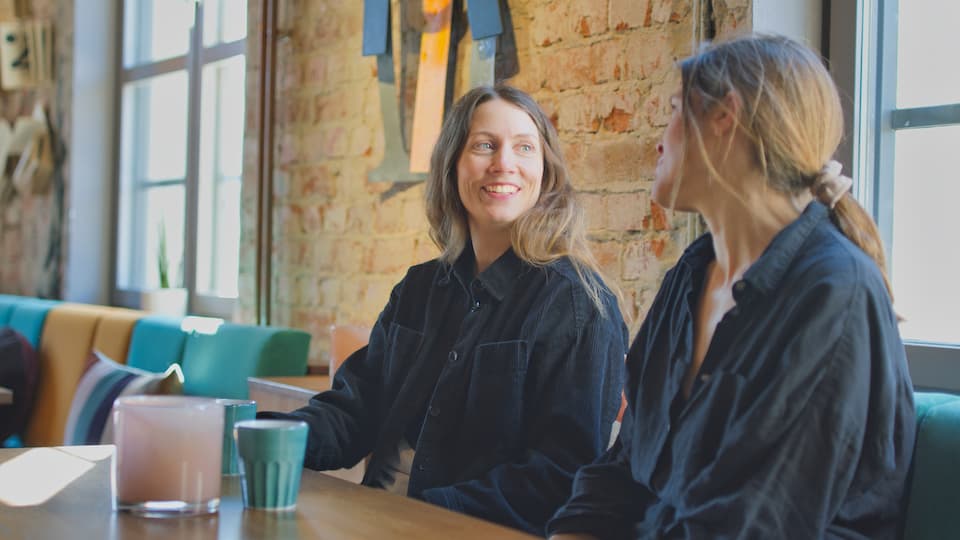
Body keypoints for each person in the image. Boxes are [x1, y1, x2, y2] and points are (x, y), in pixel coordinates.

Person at [546, 34, 916, 539]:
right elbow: (628, 462)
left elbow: (753, 522)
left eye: (675, 110)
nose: (660, 138)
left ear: (725, 116)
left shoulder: (834, 291)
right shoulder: (690, 277)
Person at [260, 84, 628, 535]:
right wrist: (265, 436)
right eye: (484, 145)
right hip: (374, 520)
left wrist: (418, 513)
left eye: (524, 148)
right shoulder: (417, 288)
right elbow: (356, 407)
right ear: (452, 165)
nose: (503, 163)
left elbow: (561, 475)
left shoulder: (578, 304)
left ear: (546, 174)